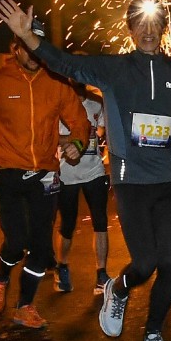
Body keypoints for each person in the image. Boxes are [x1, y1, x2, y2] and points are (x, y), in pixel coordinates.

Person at [0, 0, 171, 341]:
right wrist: (29, 39)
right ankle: (120, 288)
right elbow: (66, 63)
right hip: (132, 181)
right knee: (145, 262)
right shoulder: (114, 69)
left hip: (170, 180)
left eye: (154, 25)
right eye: (140, 25)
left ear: (163, 30)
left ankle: (152, 336)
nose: (148, 31)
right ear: (131, 31)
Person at [0, 33, 91, 330]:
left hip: (45, 174)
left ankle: (25, 305)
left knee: (42, 249)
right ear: (13, 48)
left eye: (37, 48)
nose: (33, 54)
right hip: (7, 173)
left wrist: (77, 145)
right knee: (16, 241)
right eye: (27, 48)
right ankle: (2, 277)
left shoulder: (57, 82)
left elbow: (81, 122)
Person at [54, 84, 111, 295]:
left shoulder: (96, 102)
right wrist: (74, 139)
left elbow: (104, 128)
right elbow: (49, 135)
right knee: (67, 225)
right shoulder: (60, 102)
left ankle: (102, 274)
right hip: (66, 173)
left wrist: (96, 133)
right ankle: (62, 266)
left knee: (101, 222)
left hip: (94, 170)